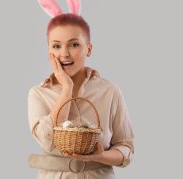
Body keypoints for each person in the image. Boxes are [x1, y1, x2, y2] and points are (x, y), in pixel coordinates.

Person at [28, 0, 134, 178]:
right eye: (56, 46)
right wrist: (66, 88)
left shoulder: (110, 91)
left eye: (74, 44)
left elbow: (126, 147)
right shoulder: (38, 93)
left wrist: (101, 156)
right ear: (49, 52)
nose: (64, 54)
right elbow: (47, 141)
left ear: (89, 49)